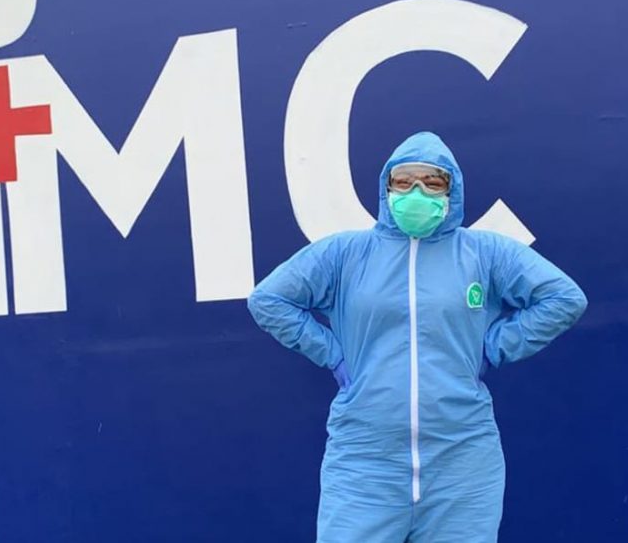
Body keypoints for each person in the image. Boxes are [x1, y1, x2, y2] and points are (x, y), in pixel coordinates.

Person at [247, 131, 587, 543]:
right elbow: (269, 299)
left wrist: (494, 347)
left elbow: (564, 298)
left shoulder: (484, 253)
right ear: (386, 188)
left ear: (453, 191)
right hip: (365, 459)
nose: (417, 191)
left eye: (432, 182)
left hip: (462, 459)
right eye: (404, 182)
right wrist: (332, 354)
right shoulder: (347, 254)